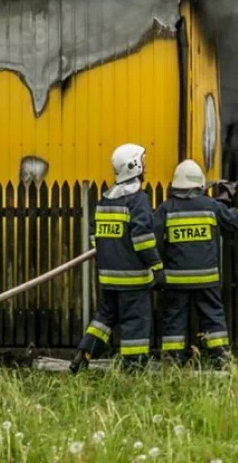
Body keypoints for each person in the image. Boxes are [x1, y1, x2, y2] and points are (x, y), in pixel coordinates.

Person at [70, 143, 165, 373]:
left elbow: (95, 237)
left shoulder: (105, 200)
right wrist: (157, 266)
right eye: (142, 162)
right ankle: (134, 368)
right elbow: (142, 238)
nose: (145, 167)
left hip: (108, 278)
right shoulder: (138, 199)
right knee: (136, 322)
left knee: (104, 318)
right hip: (133, 280)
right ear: (134, 166)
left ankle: (83, 353)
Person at [155, 159, 238, 367]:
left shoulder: (166, 209)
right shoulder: (211, 206)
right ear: (199, 184)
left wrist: (157, 270)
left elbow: (154, 240)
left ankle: (172, 360)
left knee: (174, 317)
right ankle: (220, 356)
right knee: (212, 316)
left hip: (176, 279)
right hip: (206, 277)